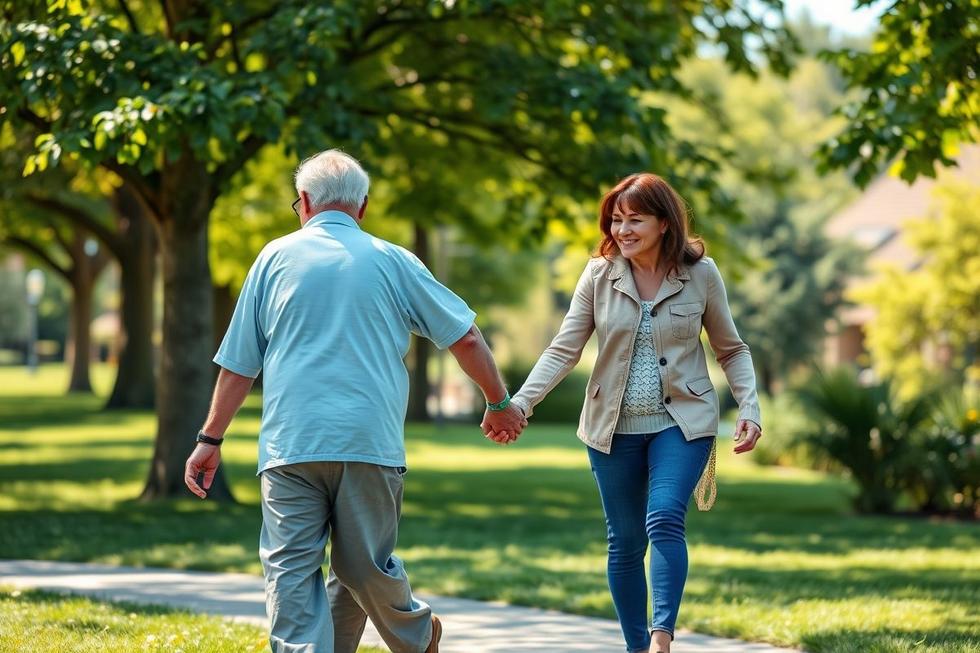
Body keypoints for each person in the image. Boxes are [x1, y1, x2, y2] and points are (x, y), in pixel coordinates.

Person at [183, 149, 526, 653]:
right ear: (362, 206)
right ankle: (413, 634)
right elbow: (467, 337)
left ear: (302, 201)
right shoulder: (394, 261)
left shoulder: (272, 259)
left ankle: (409, 634)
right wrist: (499, 403)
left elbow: (239, 363)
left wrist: (209, 438)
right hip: (368, 445)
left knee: (292, 575)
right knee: (362, 568)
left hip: (289, 447)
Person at [508, 173, 762, 653]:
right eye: (617, 220)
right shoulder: (599, 275)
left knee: (664, 517)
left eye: (635, 220)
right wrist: (522, 401)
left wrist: (749, 405)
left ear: (665, 223)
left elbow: (732, 349)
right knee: (624, 542)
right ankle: (635, 647)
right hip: (612, 428)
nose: (623, 230)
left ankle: (662, 639)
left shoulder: (701, 274)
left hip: (682, 423)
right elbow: (565, 349)